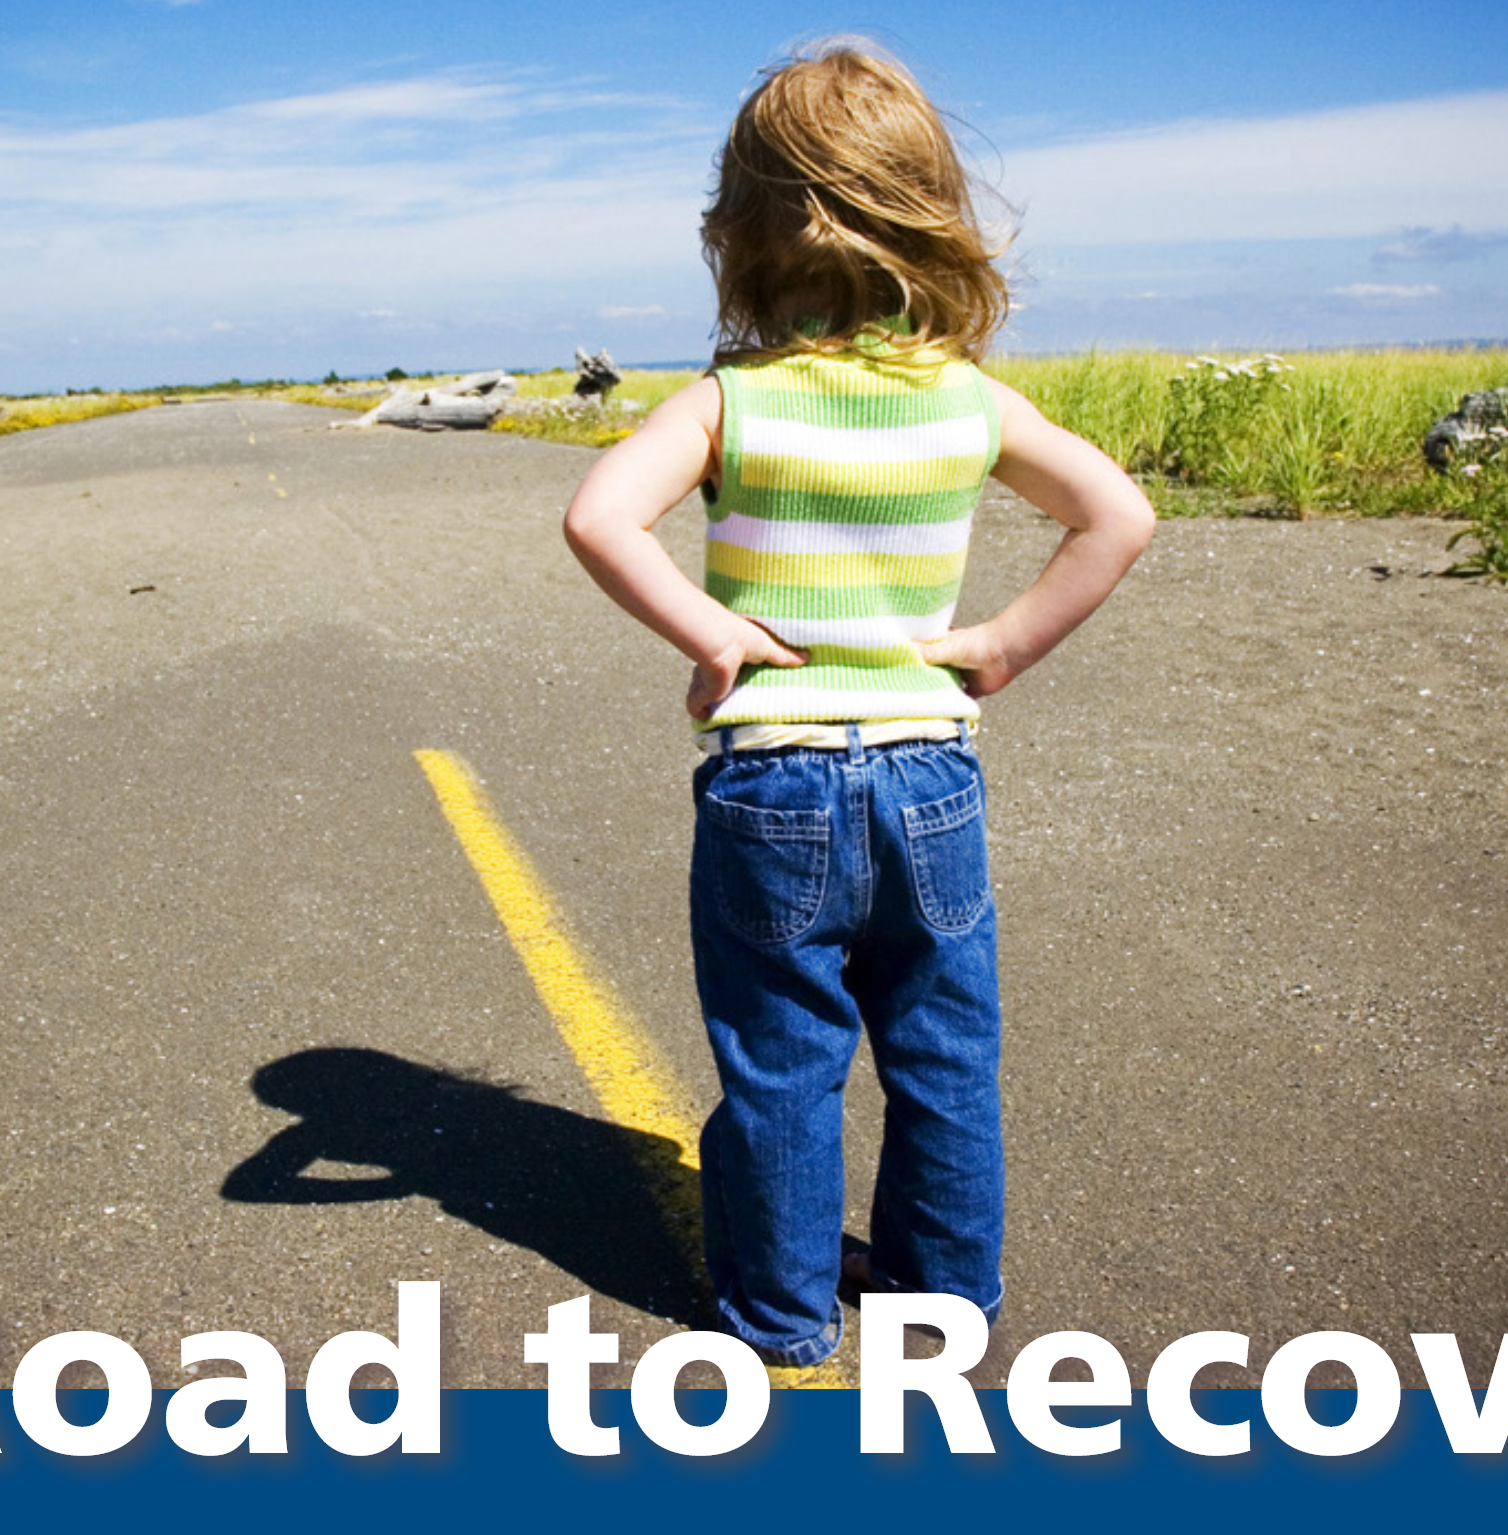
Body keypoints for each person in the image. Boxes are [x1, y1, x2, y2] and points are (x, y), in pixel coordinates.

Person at [561, 39, 1156, 1368]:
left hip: (773, 775)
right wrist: (998, 645)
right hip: (928, 772)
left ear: (740, 230)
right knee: (942, 1046)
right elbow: (1118, 515)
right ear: (931, 213)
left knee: (785, 1053)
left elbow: (600, 516)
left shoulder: (731, 401)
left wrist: (716, 634)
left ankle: (779, 1313)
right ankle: (943, 1303)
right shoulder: (965, 400)